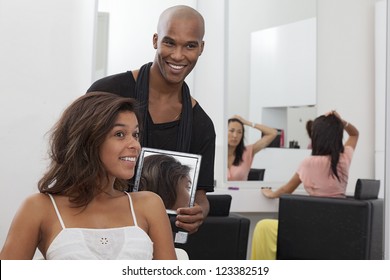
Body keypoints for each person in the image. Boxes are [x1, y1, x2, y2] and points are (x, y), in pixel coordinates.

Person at [0, 92, 177, 260]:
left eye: (135, 135)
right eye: (119, 134)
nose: (135, 145)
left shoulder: (149, 205)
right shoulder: (38, 208)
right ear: (88, 141)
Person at [86, 5, 215, 234]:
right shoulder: (107, 92)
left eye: (190, 46)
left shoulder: (201, 125)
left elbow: (200, 197)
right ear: (156, 40)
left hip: (158, 239)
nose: (178, 55)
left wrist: (199, 213)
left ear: (201, 48)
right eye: (169, 42)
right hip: (95, 226)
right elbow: (75, 162)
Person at [251, 110, 359, 260]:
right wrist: (341, 122)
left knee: (263, 227)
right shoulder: (344, 159)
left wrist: (271, 193)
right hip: (336, 228)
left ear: (316, 137)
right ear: (337, 135)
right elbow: (355, 134)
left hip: (312, 229)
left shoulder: (309, 163)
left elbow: (287, 190)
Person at [227, 115, 278, 181]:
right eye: (231, 131)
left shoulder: (247, 152)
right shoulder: (216, 153)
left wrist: (247, 122)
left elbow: (273, 133)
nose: (235, 135)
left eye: (239, 132)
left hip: (241, 191)